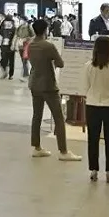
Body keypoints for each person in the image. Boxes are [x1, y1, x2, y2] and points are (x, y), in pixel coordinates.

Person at [28, 19, 81, 161]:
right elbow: (60, 63)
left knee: (36, 116)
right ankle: (63, 151)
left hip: (34, 83)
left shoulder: (31, 45)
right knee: (59, 117)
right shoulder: (49, 46)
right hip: (48, 85)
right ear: (46, 30)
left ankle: (37, 147)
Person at [83, 36, 109, 183]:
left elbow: (86, 87)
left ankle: (93, 170)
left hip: (92, 105)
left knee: (92, 139)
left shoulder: (88, 66)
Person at [13, 16, 34, 80]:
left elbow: (33, 36)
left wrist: (26, 39)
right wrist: (14, 44)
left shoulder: (29, 27)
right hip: (20, 45)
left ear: (25, 20)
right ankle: (26, 74)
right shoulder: (19, 27)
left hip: (27, 45)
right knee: (23, 60)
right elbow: (16, 36)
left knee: (26, 60)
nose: (21, 21)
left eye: (22, 20)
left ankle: (26, 74)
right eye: (20, 20)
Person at [0, 13, 16, 80]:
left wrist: (13, 45)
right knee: (3, 60)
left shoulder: (14, 29)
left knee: (11, 61)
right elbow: (0, 36)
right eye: (6, 22)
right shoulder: (2, 28)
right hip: (3, 46)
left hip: (11, 47)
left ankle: (11, 75)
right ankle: (4, 72)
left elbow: (15, 37)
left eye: (9, 22)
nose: (7, 23)